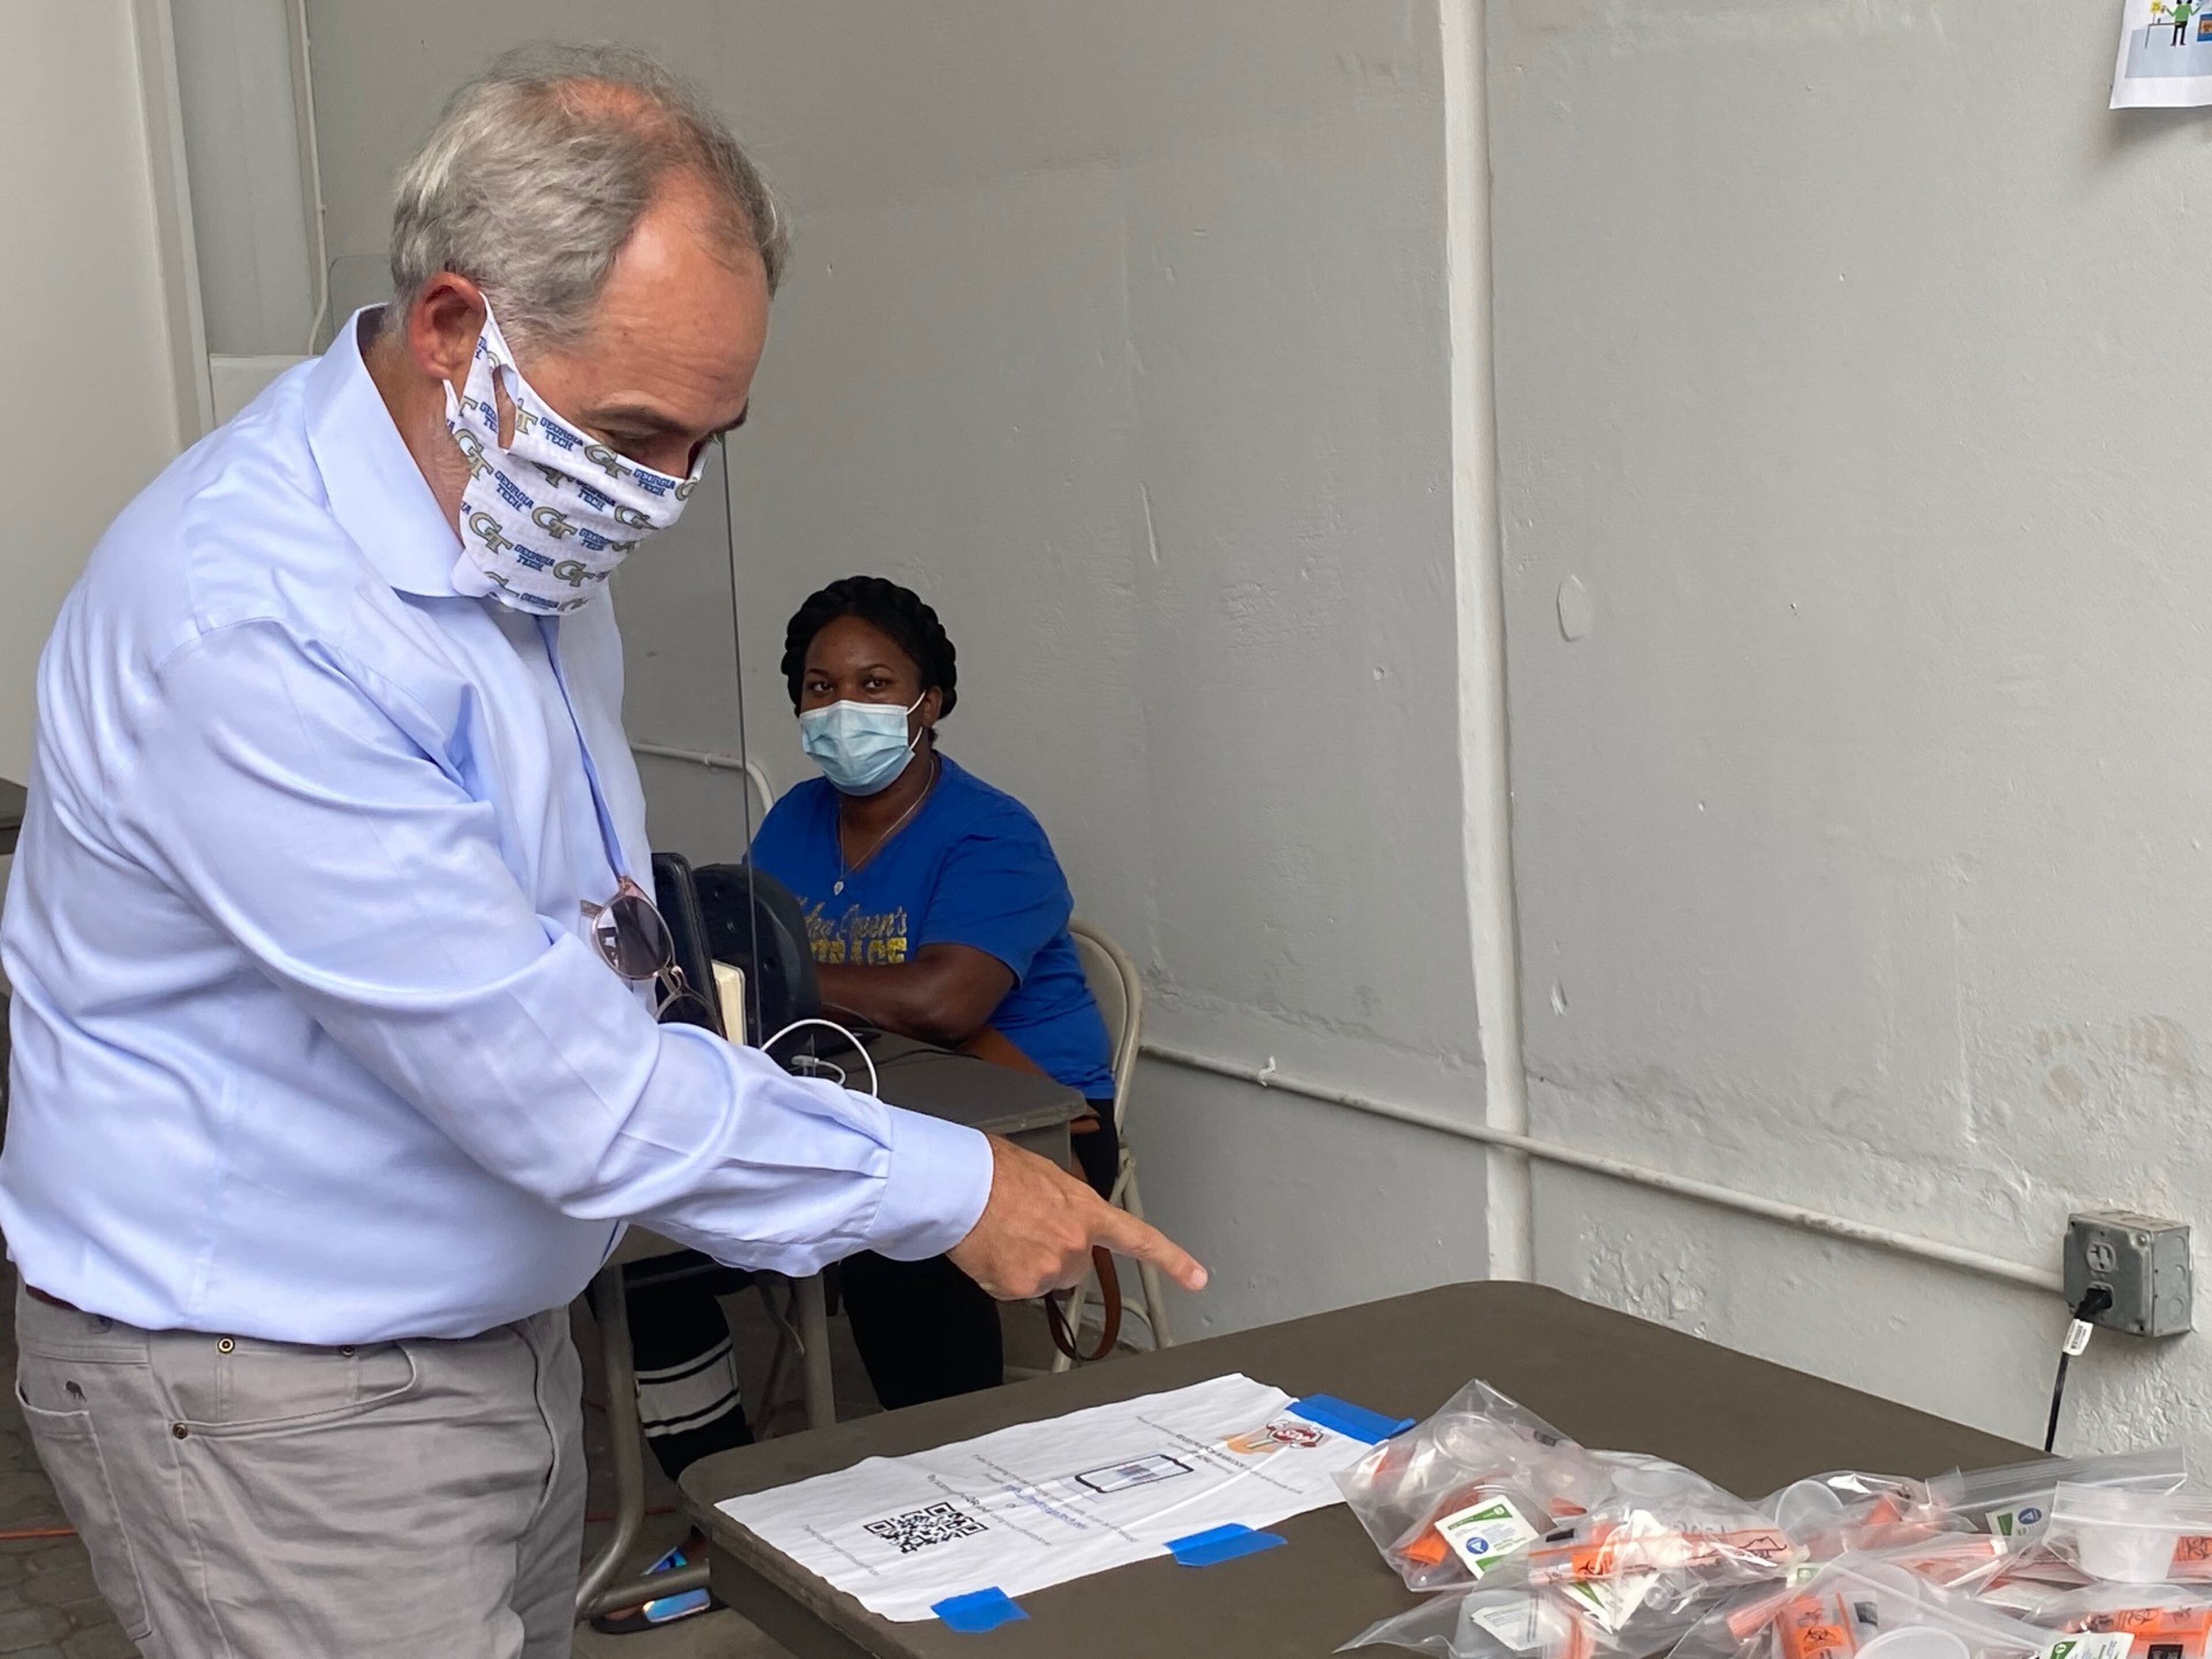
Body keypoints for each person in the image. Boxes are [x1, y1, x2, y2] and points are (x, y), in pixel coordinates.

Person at [0, 44, 1201, 1658]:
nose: (665, 495)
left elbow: (583, 935)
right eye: (637, 433)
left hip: (482, 1333)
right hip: (272, 1390)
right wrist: (946, 1184)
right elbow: (561, 1092)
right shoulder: (254, 623)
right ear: (454, 329)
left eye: (708, 440)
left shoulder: (520, 536)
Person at [605, 576, 1127, 1631]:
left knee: (905, 1238)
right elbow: (747, 977)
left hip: (1023, 1127)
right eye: (820, 687)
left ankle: (958, 1519)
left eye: (875, 684)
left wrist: (784, 972)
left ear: (931, 700)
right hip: (846, 1097)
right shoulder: (796, 821)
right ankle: (733, 1514)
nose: (844, 707)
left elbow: (944, 1001)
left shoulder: (991, 835)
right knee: (647, 1253)